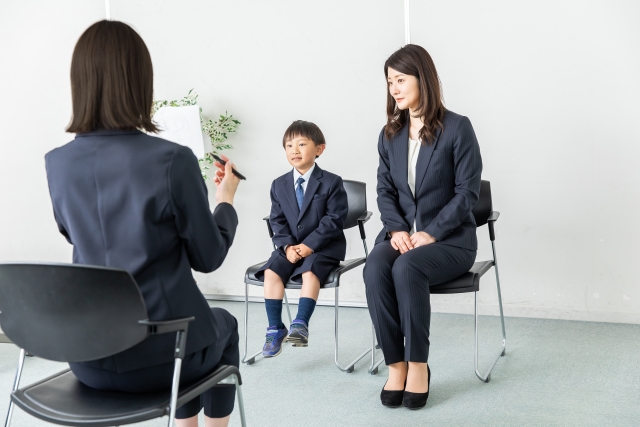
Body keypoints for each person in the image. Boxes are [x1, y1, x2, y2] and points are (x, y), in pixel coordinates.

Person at [45, 20, 241, 427]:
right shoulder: (171, 160)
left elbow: (73, 232)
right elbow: (207, 257)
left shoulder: (57, 163)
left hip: (87, 358)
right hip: (162, 360)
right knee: (222, 327)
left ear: (80, 82)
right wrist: (224, 201)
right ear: (140, 81)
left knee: (186, 333)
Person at [363, 44, 483, 410]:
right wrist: (397, 229)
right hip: (404, 236)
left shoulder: (457, 127)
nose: (394, 89)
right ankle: (395, 364)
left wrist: (430, 232)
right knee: (375, 266)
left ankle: (418, 365)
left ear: (422, 78)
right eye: (389, 82)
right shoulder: (390, 134)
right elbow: (385, 190)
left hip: (450, 242)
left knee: (407, 266)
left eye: (400, 79)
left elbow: (468, 192)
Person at [255, 120, 348, 357]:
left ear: (319, 149)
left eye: (302, 144)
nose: (294, 150)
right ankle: (275, 328)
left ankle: (300, 323)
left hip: (323, 247)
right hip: (290, 247)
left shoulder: (331, 182)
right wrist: (286, 246)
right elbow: (277, 220)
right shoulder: (279, 184)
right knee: (271, 271)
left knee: (310, 270)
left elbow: (333, 220)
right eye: (288, 145)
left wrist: (308, 246)